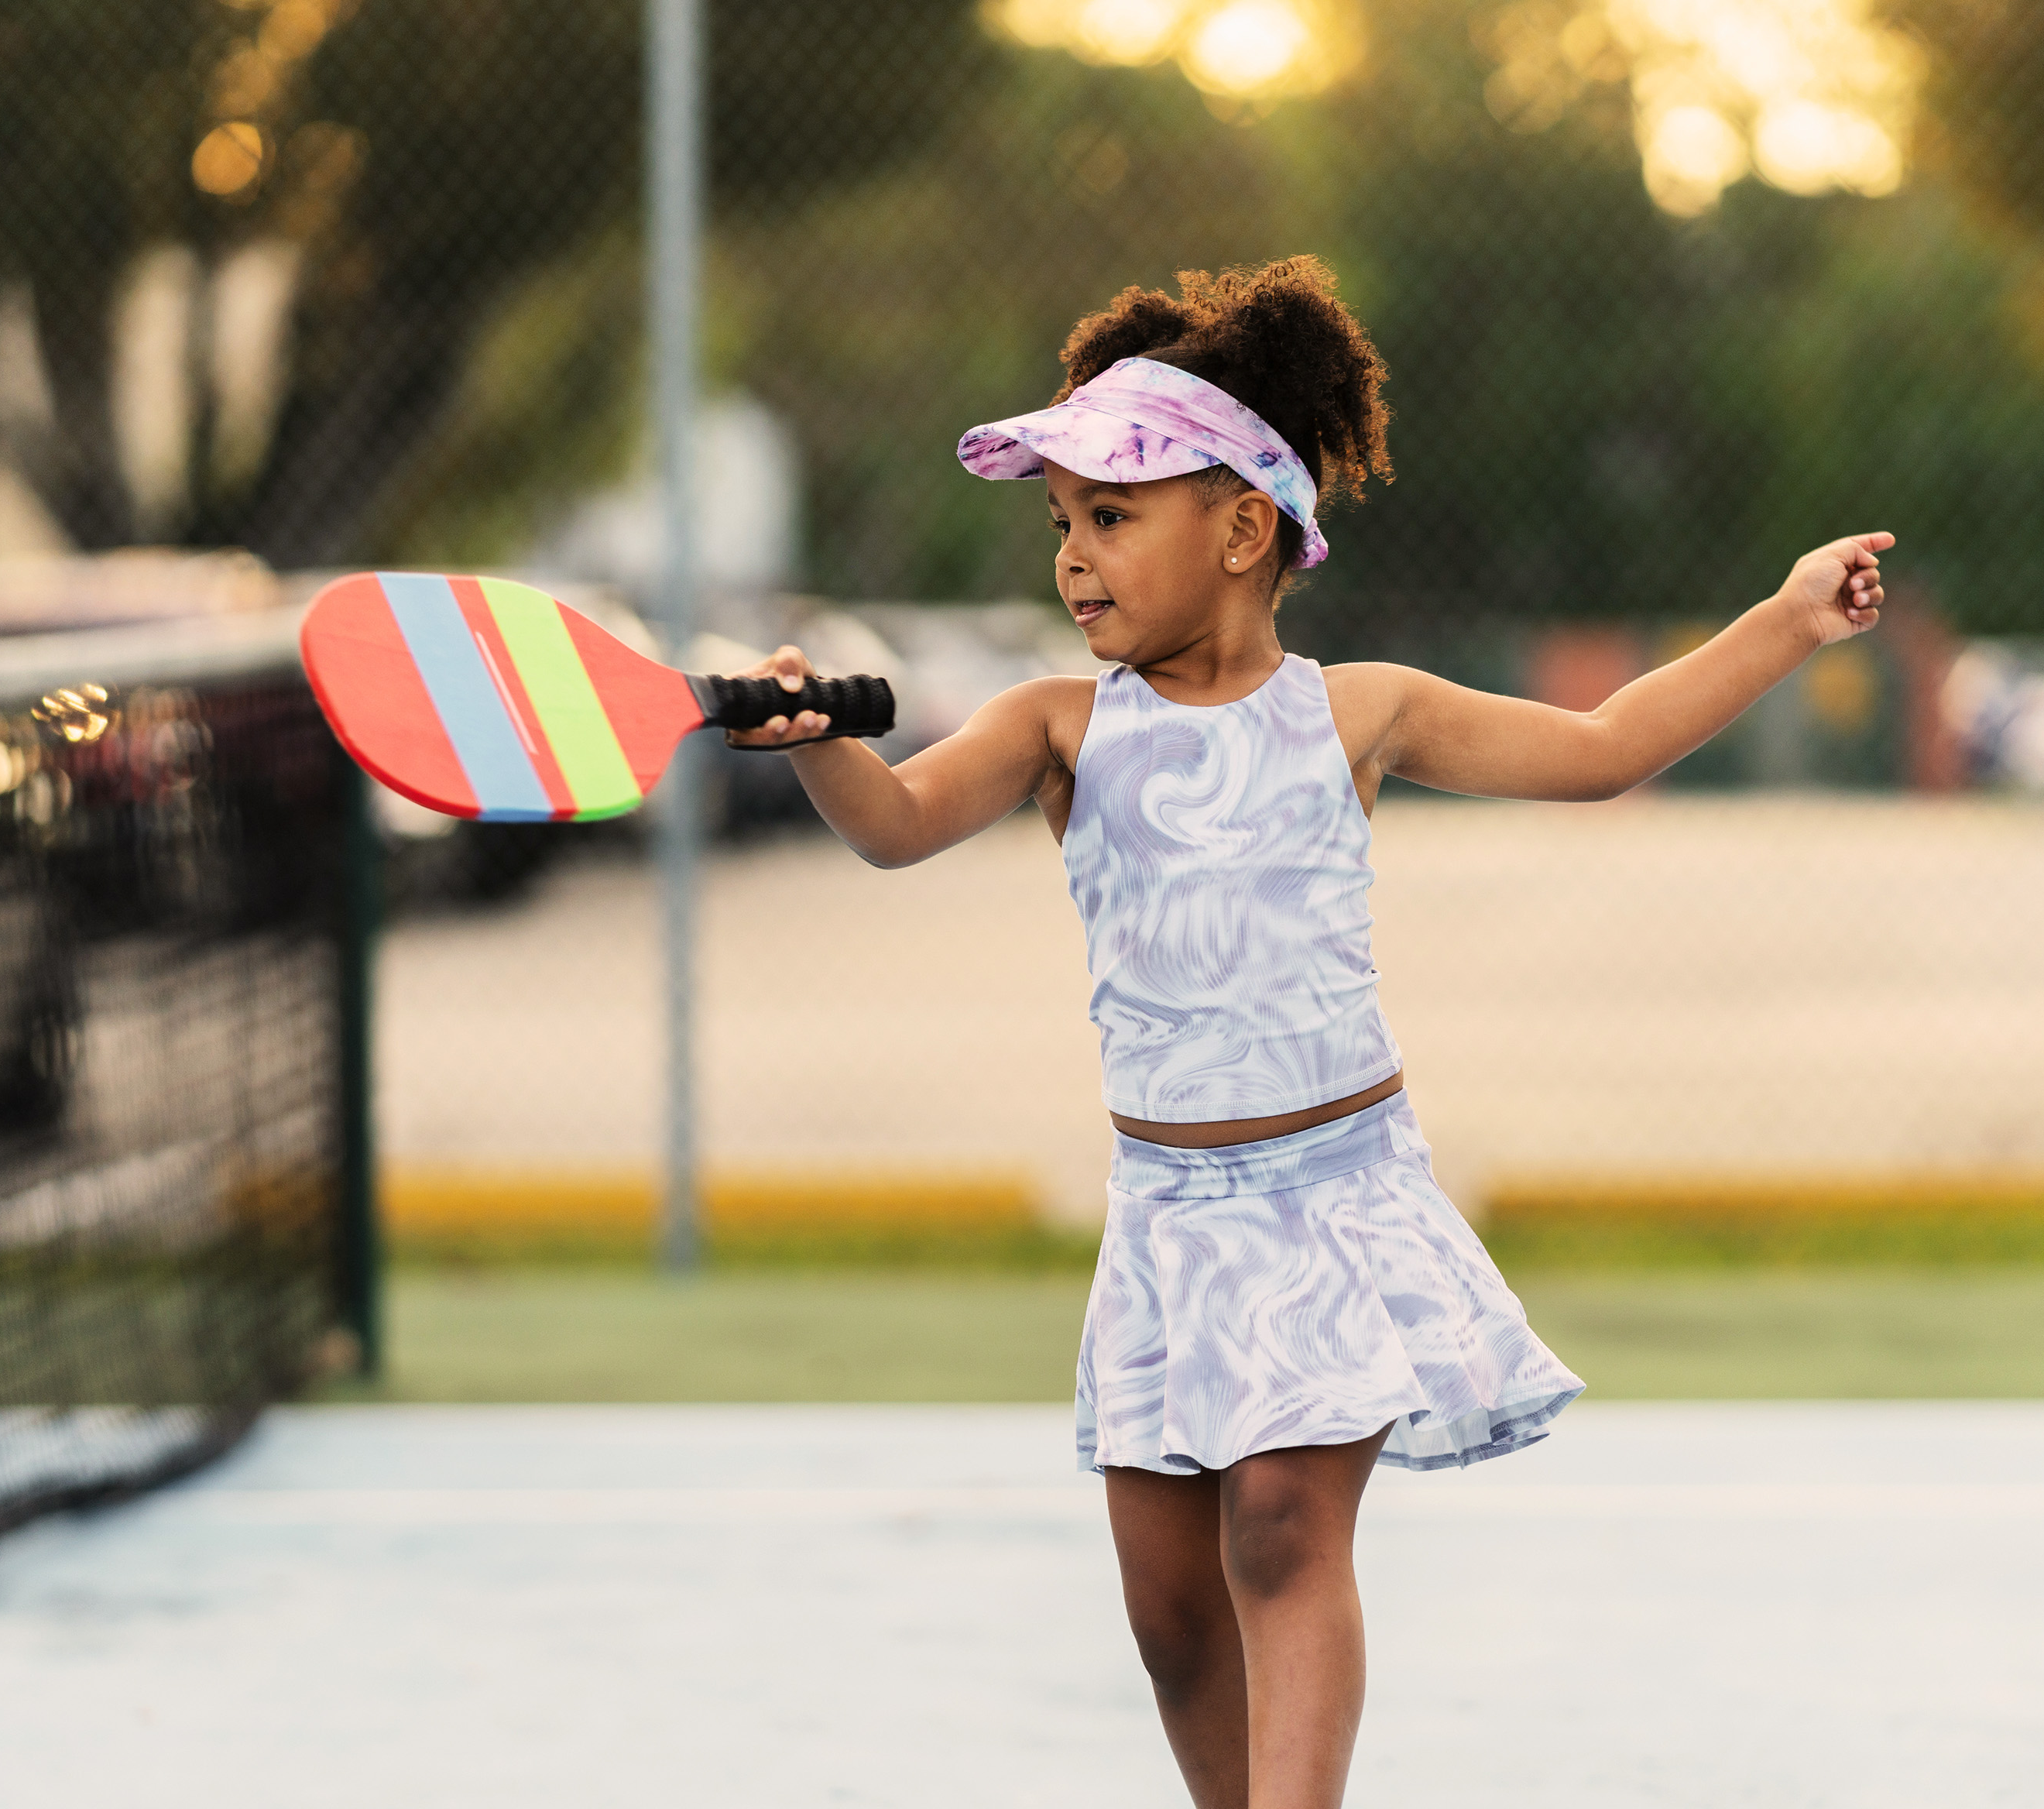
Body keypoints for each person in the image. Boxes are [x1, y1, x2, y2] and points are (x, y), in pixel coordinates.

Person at [721, 259, 1890, 1809]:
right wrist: (822, 746)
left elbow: (1604, 750)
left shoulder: (1358, 712)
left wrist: (1789, 618)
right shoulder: (1057, 728)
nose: (1074, 559)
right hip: (1165, 1220)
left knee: (1281, 1524)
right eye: (1060, 524)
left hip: (1331, 1198)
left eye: (1109, 518)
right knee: (1169, 1611)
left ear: (1244, 528)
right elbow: (896, 821)